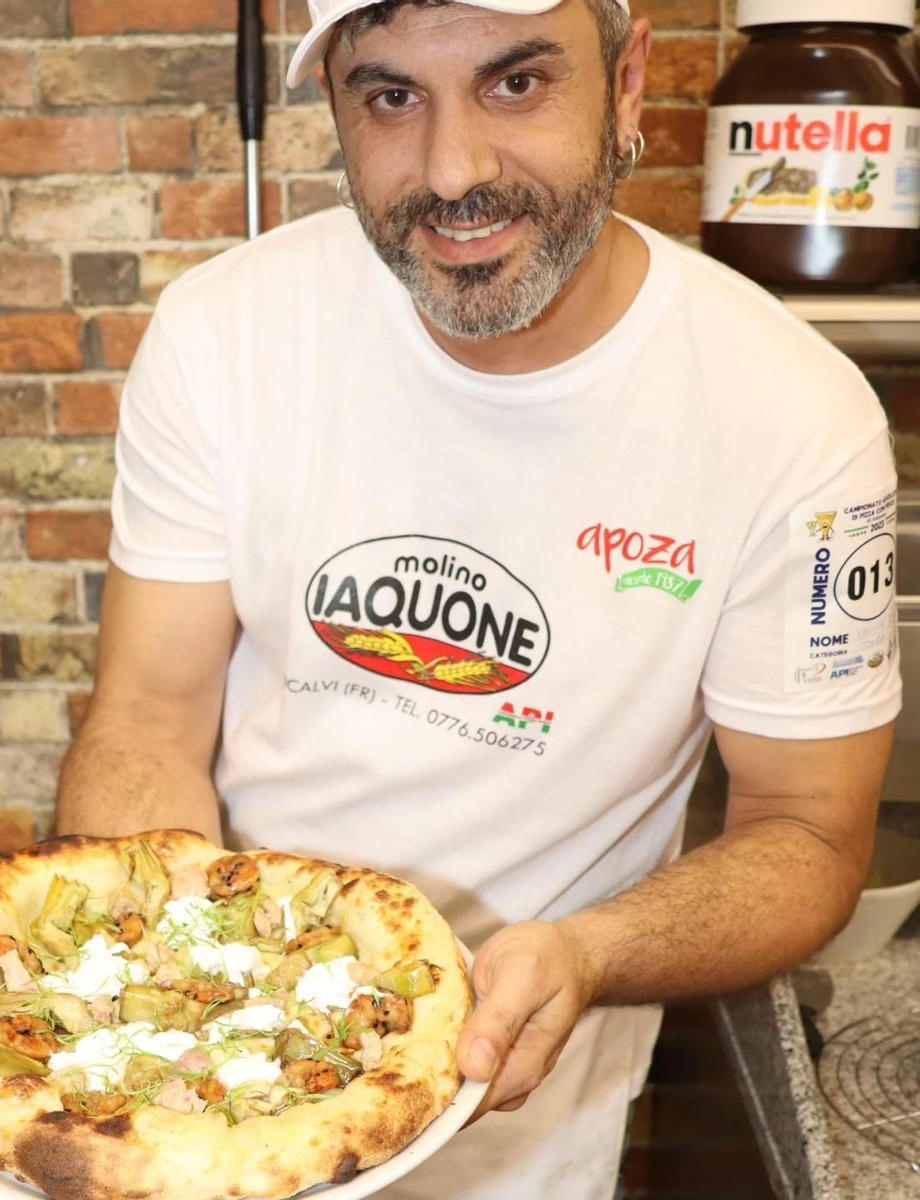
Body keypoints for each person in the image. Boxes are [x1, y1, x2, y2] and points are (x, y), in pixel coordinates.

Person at [55, 0, 902, 1194]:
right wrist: (161, 994)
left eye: (517, 84)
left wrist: (591, 955)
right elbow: (146, 718)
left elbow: (809, 832)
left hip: (520, 1141)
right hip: (209, 1100)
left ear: (628, 85)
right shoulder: (223, 335)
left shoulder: (794, 418)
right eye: (391, 97)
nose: (451, 171)